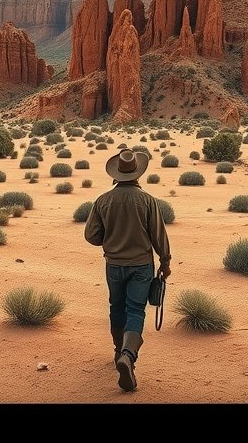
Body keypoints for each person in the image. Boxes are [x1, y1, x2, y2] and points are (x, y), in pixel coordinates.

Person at [84, 149, 172, 392]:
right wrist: (165, 262)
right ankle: (128, 355)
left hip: (113, 264)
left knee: (116, 307)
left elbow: (91, 235)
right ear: (138, 174)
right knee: (135, 310)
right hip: (141, 265)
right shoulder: (148, 201)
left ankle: (117, 352)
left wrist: (110, 239)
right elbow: (158, 235)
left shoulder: (102, 200)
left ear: (116, 175)